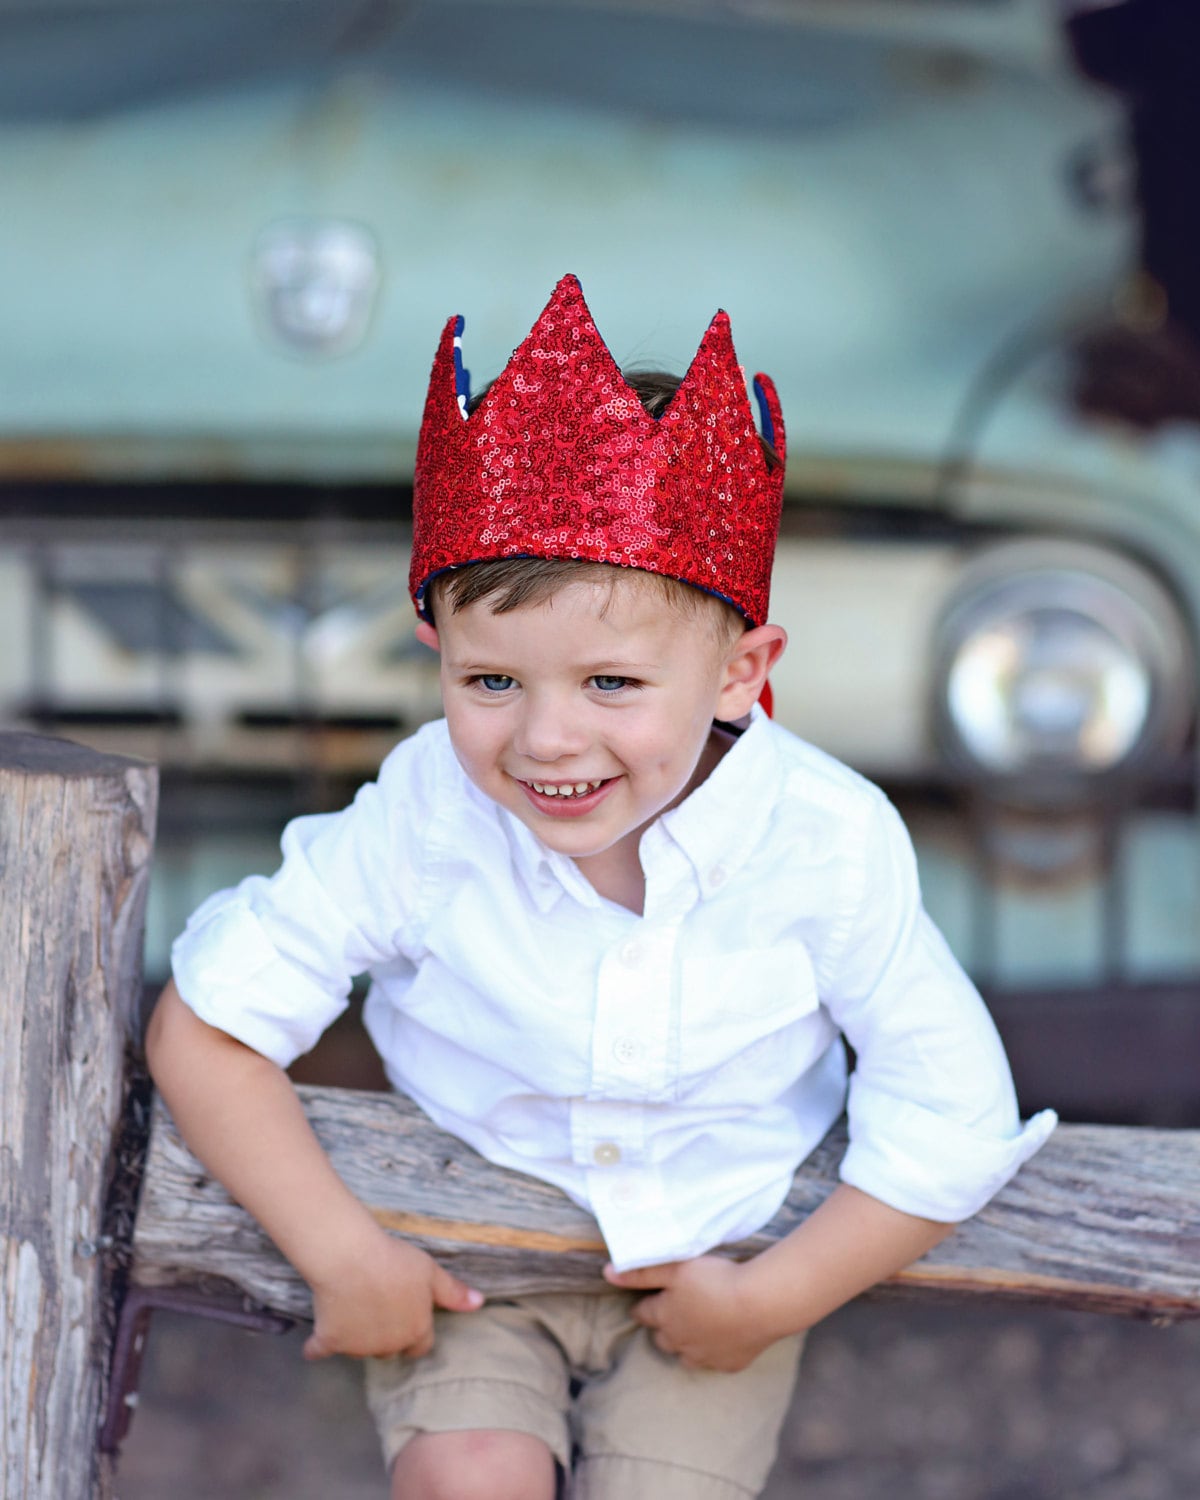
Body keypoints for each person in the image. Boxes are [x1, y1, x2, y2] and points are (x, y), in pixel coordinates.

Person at [145, 273, 1056, 1500]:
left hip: (721, 1261)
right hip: (466, 1240)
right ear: (439, 658)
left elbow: (950, 1115)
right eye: (491, 683)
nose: (546, 741)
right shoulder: (429, 812)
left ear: (741, 672)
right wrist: (341, 1251)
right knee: (470, 1484)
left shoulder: (827, 845)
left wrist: (770, 1298)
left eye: (613, 685)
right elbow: (207, 1027)